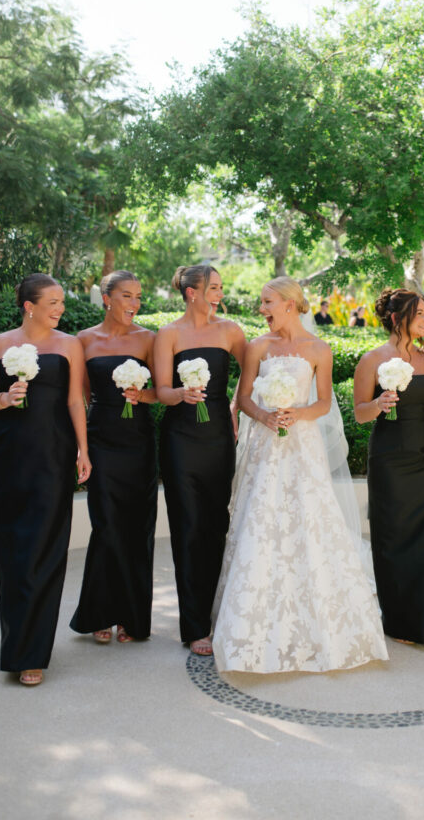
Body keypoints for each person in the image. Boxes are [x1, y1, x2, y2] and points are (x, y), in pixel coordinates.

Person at [212, 277, 388, 672]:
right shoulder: (258, 347)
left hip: (302, 446)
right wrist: (265, 416)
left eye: (267, 302)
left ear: (290, 303)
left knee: (309, 522)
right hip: (265, 445)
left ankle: (320, 623)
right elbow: (242, 399)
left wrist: (298, 414)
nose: (262, 309)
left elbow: (324, 402)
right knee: (261, 521)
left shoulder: (318, 350)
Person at [0, 274, 91, 686]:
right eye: (53, 302)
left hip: (53, 457)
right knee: (12, 554)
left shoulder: (70, 344)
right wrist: (5, 398)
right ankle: (16, 646)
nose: (60, 309)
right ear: (29, 305)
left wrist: (83, 450)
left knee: (46, 550)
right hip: (9, 457)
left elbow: (76, 400)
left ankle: (33, 653)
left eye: (62, 302)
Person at [354, 288, 424, 649]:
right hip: (389, 458)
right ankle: (399, 620)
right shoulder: (371, 360)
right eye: (420, 314)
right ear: (398, 318)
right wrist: (379, 403)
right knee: (392, 538)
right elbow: (359, 414)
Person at [155, 265, 246, 655]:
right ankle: (194, 626)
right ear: (192, 292)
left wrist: (234, 405)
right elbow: (160, 390)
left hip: (218, 439)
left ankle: (217, 611)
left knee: (215, 524)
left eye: (221, 288)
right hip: (179, 439)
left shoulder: (231, 331)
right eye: (213, 287)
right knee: (187, 526)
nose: (219, 294)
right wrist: (180, 394)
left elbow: (253, 370)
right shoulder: (169, 334)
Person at [70, 271, 157, 646]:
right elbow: (81, 398)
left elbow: (163, 391)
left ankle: (131, 618)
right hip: (102, 441)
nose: (134, 304)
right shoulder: (83, 340)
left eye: (139, 297)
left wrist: (143, 395)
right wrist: (82, 449)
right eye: (127, 296)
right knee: (106, 527)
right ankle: (100, 612)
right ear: (107, 298)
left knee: (138, 527)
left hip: (139, 442)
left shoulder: (148, 339)